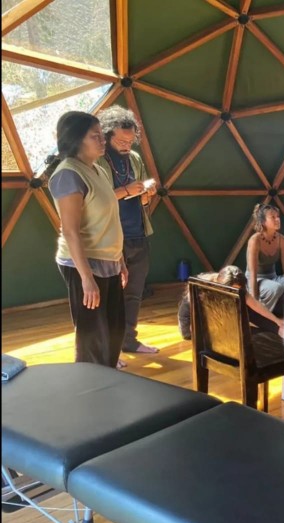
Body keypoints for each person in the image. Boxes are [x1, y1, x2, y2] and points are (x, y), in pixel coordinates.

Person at [44, 111, 127, 368]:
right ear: (76, 139)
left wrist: (120, 260)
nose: (103, 140)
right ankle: (91, 386)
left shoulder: (97, 170)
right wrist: (86, 278)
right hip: (84, 264)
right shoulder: (68, 174)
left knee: (114, 331)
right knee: (93, 339)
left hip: (108, 261)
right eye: (95, 136)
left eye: (102, 135)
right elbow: (71, 231)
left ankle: (108, 380)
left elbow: (108, 220)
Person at [96, 105, 159, 354]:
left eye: (130, 141)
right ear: (107, 135)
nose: (126, 145)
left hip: (137, 235)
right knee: (109, 295)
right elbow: (95, 201)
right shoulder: (98, 160)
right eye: (121, 141)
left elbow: (141, 200)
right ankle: (107, 349)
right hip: (110, 238)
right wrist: (126, 191)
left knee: (134, 293)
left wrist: (146, 192)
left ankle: (128, 340)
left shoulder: (134, 158)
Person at [177, 265, 284, 341]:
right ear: (222, 286)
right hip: (192, 326)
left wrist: (277, 321)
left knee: (246, 308)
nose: (235, 292)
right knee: (237, 331)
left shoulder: (235, 285)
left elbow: (255, 305)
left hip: (217, 317)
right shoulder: (205, 291)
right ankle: (277, 336)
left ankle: (281, 332)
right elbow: (200, 325)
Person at [245, 203, 284, 312]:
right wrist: (254, 301)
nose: (277, 219)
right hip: (256, 279)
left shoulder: (282, 240)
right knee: (276, 288)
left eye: (278, 216)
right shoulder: (255, 240)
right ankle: (259, 313)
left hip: (273, 277)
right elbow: (252, 274)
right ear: (263, 222)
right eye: (273, 217)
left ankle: (283, 310)